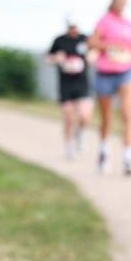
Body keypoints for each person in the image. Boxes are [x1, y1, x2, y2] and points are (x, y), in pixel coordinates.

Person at [89, 0, 131, 176]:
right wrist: (110, 46)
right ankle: (104, 152)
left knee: (128, 114)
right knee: (107, 118)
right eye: (118, 0)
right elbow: (92, 42)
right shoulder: (104, 21)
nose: (121, 4)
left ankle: (128, 158)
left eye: (123, 1)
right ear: (112, 2)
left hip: (126, 72)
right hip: (105, 73)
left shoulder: (129, 24)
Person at [47, 15, 93, 160]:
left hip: (82, 83)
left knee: (84, 115)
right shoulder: (59, 40)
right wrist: (56, 58)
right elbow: (48, 57)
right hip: (66, 84)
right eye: (71, 27)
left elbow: (95, 52)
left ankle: (80, 133)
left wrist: (92, 56)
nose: (73, 30)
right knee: (68, 117)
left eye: (75, 27)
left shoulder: (85, 39)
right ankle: (69, 147)